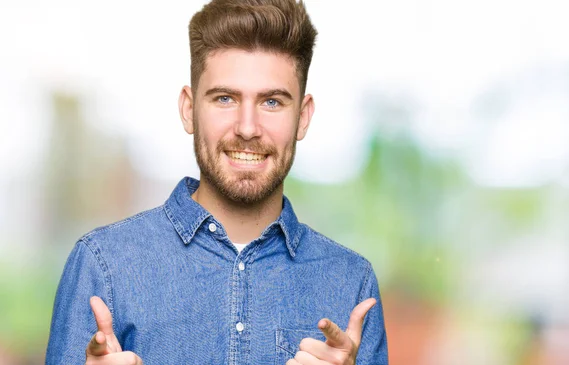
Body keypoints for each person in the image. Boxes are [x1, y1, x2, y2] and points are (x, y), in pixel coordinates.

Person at [45, 0, 389, 364]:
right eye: (225, 98)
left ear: (302, 118)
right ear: (188, 109)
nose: (246, 128)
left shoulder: (351, 282)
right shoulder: (104, 266)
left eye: (271, 102)